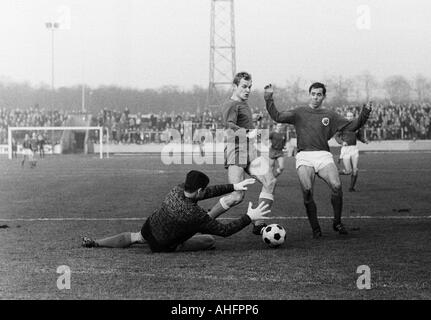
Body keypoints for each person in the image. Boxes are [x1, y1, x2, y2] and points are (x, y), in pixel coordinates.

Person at [264, 82, 371, 238]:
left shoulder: (331, 115)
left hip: (323, 155)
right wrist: (268, 98)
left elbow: (351, 127)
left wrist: (365, 112)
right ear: (309, 95)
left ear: (323, 96)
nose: (315, 97)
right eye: (313, 94)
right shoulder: (299, 112)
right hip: (304, 156)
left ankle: (337, 222)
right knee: (307, 191)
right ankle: (316, 229)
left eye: (319, 94)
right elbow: (277, 116)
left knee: (337, 185)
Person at [82, 170, 270, 252]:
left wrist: (234, 185)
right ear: (198, 191)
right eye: (203, 190)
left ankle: (96, 243)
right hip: (165, 244)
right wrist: (249, 217)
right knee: (209, 239)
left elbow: (205, 193)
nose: (206, 191)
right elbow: (225, 231)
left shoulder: (177, 189)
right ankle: (176, 244)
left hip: (149, 228)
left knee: (135, 236)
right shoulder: (193, 214)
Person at [206, 72, 277, 236]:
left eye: (250, 87)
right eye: (244, 86)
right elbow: (229, 124)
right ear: (235, 86)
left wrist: (253, 119)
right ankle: (205, 219)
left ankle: (259, 224)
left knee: (270, 181)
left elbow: (240, 121)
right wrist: (247, 131)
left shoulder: (243, 103)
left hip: (249, 150)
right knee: (237, 196)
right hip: (236, 150)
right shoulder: (230, 104)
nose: (248, 90)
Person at [335, 111, 369, 192]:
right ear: (346, 117)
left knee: (355, 169)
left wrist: (364, 140)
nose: (350, 117)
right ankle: (335, 173)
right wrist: (342, 142)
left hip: (354, 149)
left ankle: (351, 188)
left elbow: (359, 136)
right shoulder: (342, 126)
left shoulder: (356, 126)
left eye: (351, 116)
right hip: (346, 149)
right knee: (348, 171)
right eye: (348, 116)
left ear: (353, 117)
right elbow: (336, 136)